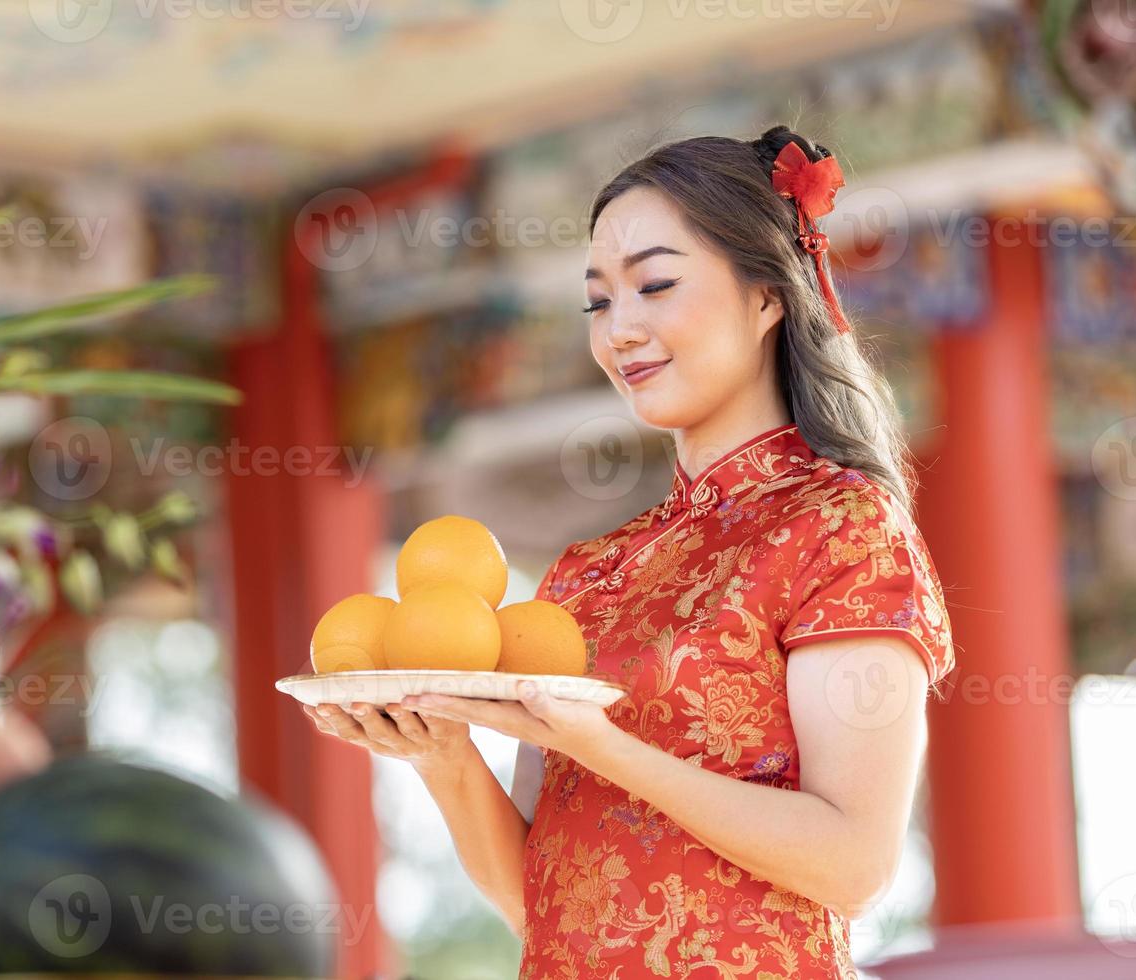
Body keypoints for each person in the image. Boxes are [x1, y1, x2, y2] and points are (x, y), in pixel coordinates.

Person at [302, 125, 956, 979]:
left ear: (767, 296)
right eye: (598, 302)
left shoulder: (842, 528)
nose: (620, 330)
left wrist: (603, 746)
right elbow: (539, 904)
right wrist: (441, 754)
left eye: (654, 284)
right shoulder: (587, 572)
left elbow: (855, 865)